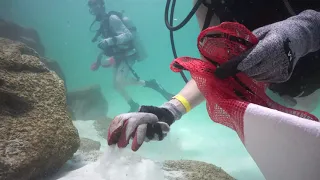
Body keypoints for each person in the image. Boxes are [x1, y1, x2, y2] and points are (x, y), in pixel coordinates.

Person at [107, 0, 320, 179]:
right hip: (282, 95)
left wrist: (306, 30)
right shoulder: (207, 3)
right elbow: (215, 72)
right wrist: (170, 110)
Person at [87, 0, 174, 112]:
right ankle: (133, 105)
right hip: (119, 55)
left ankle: (151, 84)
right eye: (91, 5)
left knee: (120, 81)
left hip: (129, 54)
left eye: (95, 4)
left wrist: (109, 41)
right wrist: (99, 60)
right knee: (116, 85)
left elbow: (128, 35)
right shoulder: (104, 23)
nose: (93, 7)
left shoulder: (112, 18)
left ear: (102, 5)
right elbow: (109, 45)